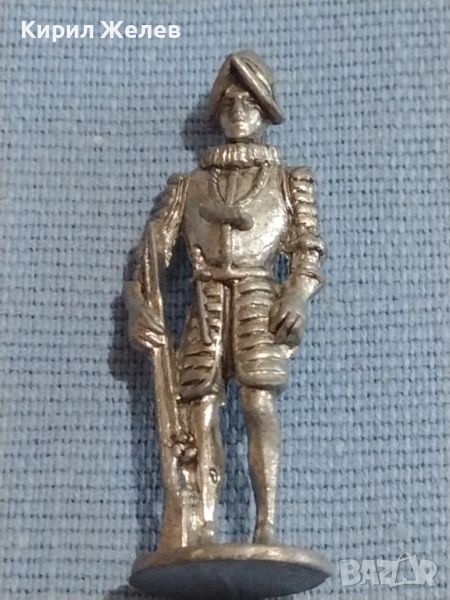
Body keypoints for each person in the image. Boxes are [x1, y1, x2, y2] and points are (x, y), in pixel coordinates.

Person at [124, 50, 326, 547]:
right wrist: (137, 304)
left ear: (265, 111)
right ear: (216, 113)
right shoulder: (189, 186)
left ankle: (267, 524)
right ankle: (204, 525)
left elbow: (307, 247)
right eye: (229, 103)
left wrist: (298, 293)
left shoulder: (288, 181)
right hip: (205, 301)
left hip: (259, 298)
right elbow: (153, 254)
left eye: (249, 102)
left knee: (259, 404)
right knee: (201, 410)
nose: (238, 111)